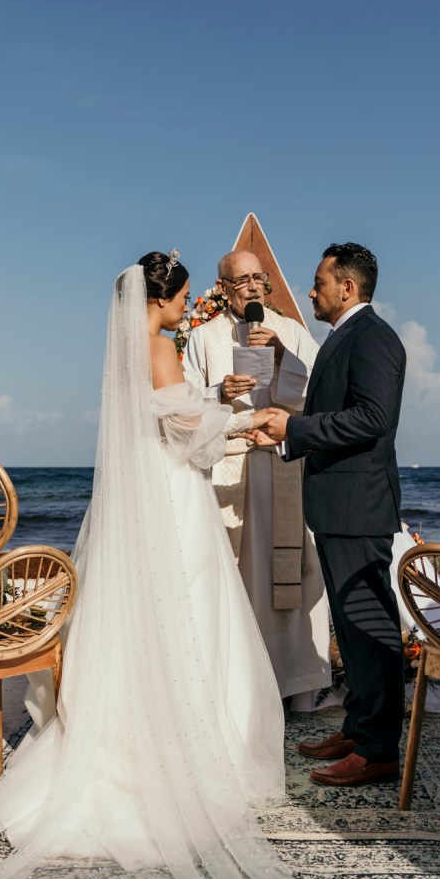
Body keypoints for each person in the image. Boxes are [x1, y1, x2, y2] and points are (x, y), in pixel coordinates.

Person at [0, 252, 307, 879]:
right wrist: (246, 420)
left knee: (139, 618)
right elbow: (186, 434)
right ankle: (189, 751)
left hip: (137, 493)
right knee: (188, 613)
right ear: (158, 300)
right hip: (171, 496)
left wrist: (212, 402)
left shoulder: (127, 350)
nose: (186, 308)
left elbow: (162, 416)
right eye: (183, 298)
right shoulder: (160, 346)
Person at [250, 242, 406, 787]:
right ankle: (359, 728)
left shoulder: (374, 338)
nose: (310, 291)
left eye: (318, 282)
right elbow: (336, 411)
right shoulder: (343, 336)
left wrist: (293, 428)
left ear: (348, 286)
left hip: (359, 507)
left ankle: (379, 751)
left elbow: (372, 418)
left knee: (369, 628)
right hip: (339, 505)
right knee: (352, 627)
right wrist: (289, 432)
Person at [183, 249, 331, 707]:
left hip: (283, 463)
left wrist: (283, 356)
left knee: (291, 577)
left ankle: (295, 684)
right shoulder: (203, 337)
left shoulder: (291, 331)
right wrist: (219, 392)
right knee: (235, 577)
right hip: (228, 468)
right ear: (223, 287)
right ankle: (237, 687)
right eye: (241, 280)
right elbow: (183, 406)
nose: (251, 286)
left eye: (258, 278)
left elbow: (320, 394)